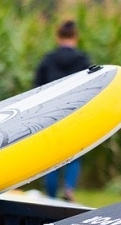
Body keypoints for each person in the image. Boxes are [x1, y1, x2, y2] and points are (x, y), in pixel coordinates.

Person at [33, 20, 93, 200]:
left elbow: (37, 88)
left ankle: (51, 197)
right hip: (75, 113)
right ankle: (69, 188)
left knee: (52, 158)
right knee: (75, 154)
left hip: (52, 113)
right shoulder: (83, 60)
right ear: (76, 37)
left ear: (57, 37)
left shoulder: (48, 60)